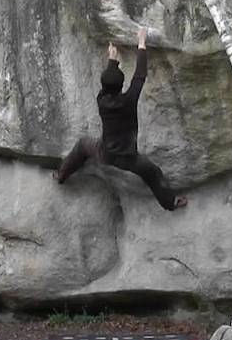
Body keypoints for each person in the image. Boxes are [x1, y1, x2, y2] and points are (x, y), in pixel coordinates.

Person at [54, 27, 187, 210]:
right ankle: (170, 203)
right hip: (129, 157)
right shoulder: (128, 101)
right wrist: (142, 42)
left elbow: (111, 81)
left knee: (82, 145)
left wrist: (112, 58)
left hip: (105, 153)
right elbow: (140, 76)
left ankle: (61, 175)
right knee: (153, 173)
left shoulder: (101, 100)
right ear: (120, 85)